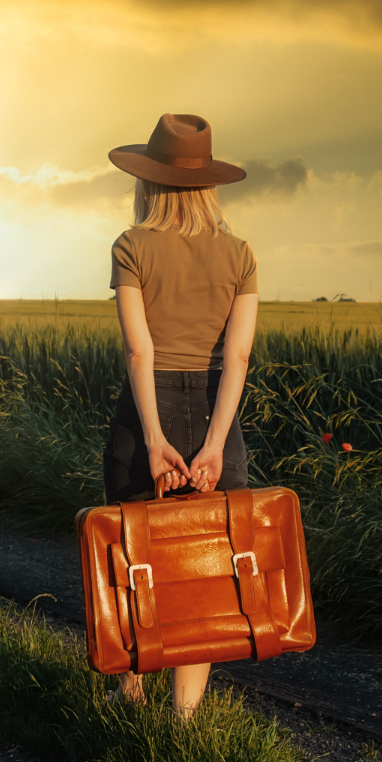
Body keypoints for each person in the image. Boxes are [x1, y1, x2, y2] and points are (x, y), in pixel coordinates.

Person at [103, 112, 259, 720]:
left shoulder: (131, 245)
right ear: (208, 185)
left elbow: (139, 351)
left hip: (148, 413)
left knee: (136, 556)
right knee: (202, 571)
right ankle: (184, 720)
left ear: (150, 183)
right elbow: (238, 356)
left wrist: (153, 439)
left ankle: (130, 687)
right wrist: (215, 445)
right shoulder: (240, 253)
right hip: (217, 412)